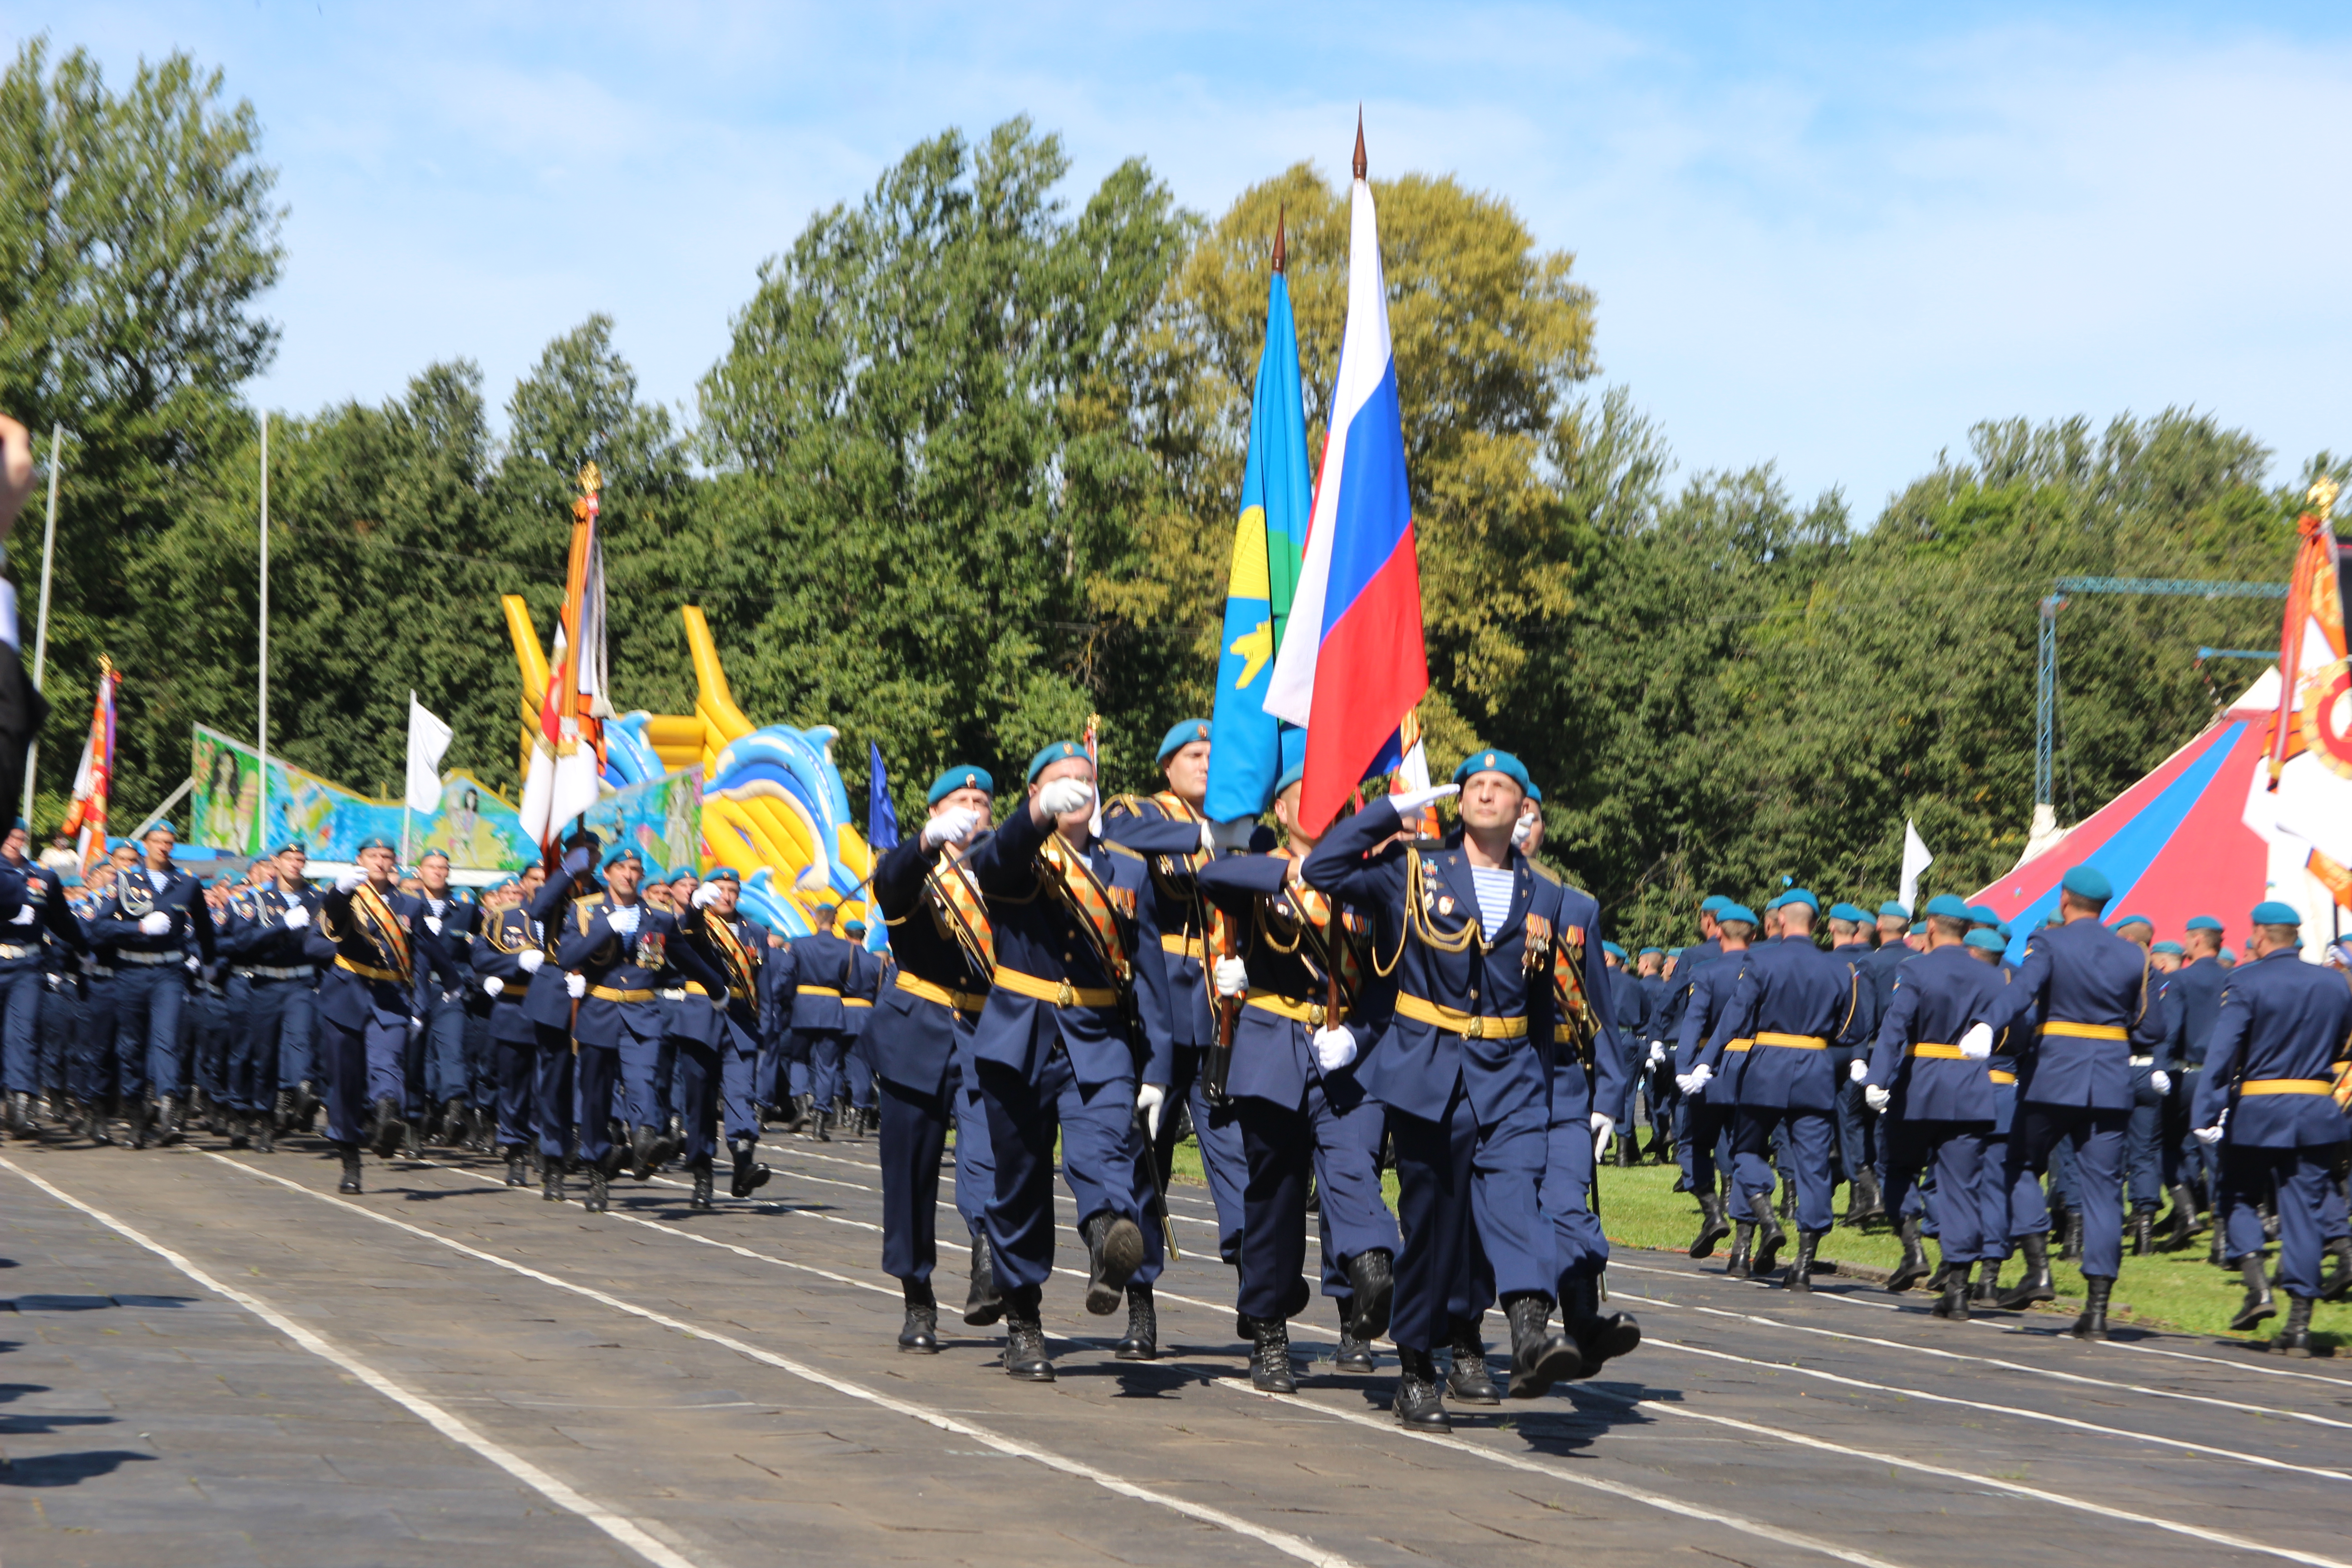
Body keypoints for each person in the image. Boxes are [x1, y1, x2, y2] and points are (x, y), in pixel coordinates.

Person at [1303, 751, 1581, 1431]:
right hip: (1431, 1074)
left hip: (1512, 1073)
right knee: (1434, 1230)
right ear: (1461, 804)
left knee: (1518, 1198)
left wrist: (1552, 1092)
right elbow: (1323, 869)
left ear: (1524, 811)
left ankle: (1528, 1330)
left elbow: (1543, 1003)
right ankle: (1417, 1369)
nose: (1487, 795)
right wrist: (1388, 812)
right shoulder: (1415, 868)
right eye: (1476, 786)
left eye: (1503, 789)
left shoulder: (1543, 892)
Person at [961, 740, 1173, 1381]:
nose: (1078, 789)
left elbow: (1152, 978)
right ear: (1036, 794)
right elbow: (995, 862)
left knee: (1103, 1151)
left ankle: (1109, 1237)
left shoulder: (1128, 871)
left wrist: (1159, 1069)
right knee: (1020, 1184)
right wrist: (1035, 820)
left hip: (1100, 1036)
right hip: (1019, 1037)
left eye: (1085, 779)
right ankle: (1024, 1324)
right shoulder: (1015, 856)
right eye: (1061, 782)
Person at [1196, 762, 1399, 1389]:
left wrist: (1359, 1037)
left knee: (1354, 1165)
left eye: (1334, 801)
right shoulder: (1260, 872)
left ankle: (1371, 1270)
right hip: (1272, 1049)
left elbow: (1389, 980)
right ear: (1280, 813)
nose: (1321, 811)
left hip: (1346, 1055)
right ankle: (1269, 1325)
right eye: (1304, 801)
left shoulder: (1372, 882)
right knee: (1276, 1193)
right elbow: (1212, 874)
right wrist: (1292, 870)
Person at [1963, 864, 2169, 1339]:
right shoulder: (2133, 955)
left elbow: (2021, 991)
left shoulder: (2050, 944)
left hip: (2057, 1076)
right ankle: (2097, 1309)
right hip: (2111, 1080)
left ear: (2064, 899)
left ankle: (2038, 1267)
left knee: (2017, 1163)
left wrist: (1986, 1025)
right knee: (2103, 1190)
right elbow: (2151, 1027)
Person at [1102, 718, 1251, 1269]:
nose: (1207, 764)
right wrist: (1201, 837)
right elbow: (1118, 837)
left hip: (1218, 1009)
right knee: (1149, 1155)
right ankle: (1140, 1295)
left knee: (1235, 1154)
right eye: (1195, 755)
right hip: (1157, 1005)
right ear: (1167, 766)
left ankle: (1254, 1292)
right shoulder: (1138, 812)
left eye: (1214, 755)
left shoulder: (1236, 829)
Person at [865, 765, 1003, 1351]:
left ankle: (986, 1258)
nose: (973, 807)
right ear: (936, 814)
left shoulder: (1007, 877)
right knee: (910, 1175)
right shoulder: (917, 874)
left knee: (990, 1153)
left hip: (987, 1031)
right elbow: (889, 880)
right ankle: (916, 1297)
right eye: (960, 800)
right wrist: (925, 844)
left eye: (981, 800)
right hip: (915, 1031)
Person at [2188, 901, 2352, 1352]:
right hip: (2317, 1110)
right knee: (2305, 1210)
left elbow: (2223, 1051)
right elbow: (2342, 1043)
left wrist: (2205, 1111)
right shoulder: (2334, 983)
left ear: (2260, 935)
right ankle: (2300, 1322)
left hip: (2260, 1109)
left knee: (2237, 1194)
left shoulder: (2245, 979)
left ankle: (2258, 1285)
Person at [1691, 888, 1872, 1290]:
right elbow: (1853, 1030)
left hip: (1765, 1068)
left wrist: (1708, 1059)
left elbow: (1736, 1016)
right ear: (1816, 924)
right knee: (1813, 1165)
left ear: (1782, 921)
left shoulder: (1762, 960)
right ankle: (1803, 1266)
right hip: (1814, 1071)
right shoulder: (1841, 970)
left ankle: (1759, 1226)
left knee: (1747, 1151)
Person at [1861, 895, 2006, 1319]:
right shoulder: (1991, 976)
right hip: (1972, 1088)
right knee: (1963, 1187)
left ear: (1930, 926)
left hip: (1920, 1085)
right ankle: (1958, 1286)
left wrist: (1877, 1078)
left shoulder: (1916, 968)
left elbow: (1895, 1028)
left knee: (1898, 1168)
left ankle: (1913, 1244)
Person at [556, 845, 682, 1214]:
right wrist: (603, 930)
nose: (629, 875)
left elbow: (655, 964)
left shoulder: (657, 915)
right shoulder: (585, 910)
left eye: (636, 869)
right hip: (599, 1008)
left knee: (643, 1078)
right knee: (595, 1097)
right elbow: (567, 957)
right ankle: (597, 1170)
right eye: (623, 868)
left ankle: (645, 1140)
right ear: (608, 873)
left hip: (642, 1009)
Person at [87, 823, 216, 1146]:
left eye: (169, 843)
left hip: (168, 973)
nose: (164, 847)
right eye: (158, 841)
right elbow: (99, 928)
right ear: (146, 844)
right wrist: (139, 929)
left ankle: (168, 1105)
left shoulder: (186, 882)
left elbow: (204, 926)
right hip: (130, 970)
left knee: (166, 1038)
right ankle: (135, 1115)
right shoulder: (125, 880)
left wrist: (208, 962)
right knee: (131, 1047)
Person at [309, 836, 422, 1193]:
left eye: (387, 856)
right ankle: (350, 1158)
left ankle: (387, 1115)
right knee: (345, 1081)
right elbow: (316, 941)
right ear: (360, 859)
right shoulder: (342, 894)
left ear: (395, 863)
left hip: (389, 995)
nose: (380, 861)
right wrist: (340, 897)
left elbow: (421, 956)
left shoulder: (411, 905)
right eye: (373, 855)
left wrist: (423, 1003)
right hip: (346, 992)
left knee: (388, 1059)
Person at [1673, 905, 1758, 1270]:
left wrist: (1685, 1067)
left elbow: (1693, 1022)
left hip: (1712, 1069)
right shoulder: (1762, 969)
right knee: (1748, 1152)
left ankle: (1712, 1211)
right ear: (1754, 937)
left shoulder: (1706, 972)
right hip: (1756, 1067)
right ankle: (1743, 1244)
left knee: (1692, 1142)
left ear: (1718, 933)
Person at [220, 843, 320, 1152]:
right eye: (289, 859)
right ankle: (261, 1116)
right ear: (275, 862)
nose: (295, 864)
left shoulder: (317, 899)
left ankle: (302, 1089)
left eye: (300, 859)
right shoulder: (255, 899)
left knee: (300, 1038)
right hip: (264, 983)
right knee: (262, 1056)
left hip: (301, 982)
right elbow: (240, 941)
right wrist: (282, 926)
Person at [0, 818, 80, 1135]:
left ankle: (21, 1106)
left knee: (23, 1034)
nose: (15, 842)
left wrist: (84, 945)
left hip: (27, 965)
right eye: (10, 836)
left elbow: (62, 919)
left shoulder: (42, 877)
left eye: (20, 837)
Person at [472, 866, 550, 1187]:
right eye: (535, 880)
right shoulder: (504, 917)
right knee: (515, 1086)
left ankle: (544, 1148)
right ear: (524, 884)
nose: (542, 886)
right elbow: (481, 958)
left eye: (548, 881)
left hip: (554, 1009)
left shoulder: (571, 915)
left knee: (547, 1086)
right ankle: (516, 1149)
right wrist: (514, 963)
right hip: (515, 1007)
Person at [405, 850, 480, 1149]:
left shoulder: (464, 910)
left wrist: (468, 980)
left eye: (443, 867)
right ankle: (413, 1121)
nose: (437, 872)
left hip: (449, 992)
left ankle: (454, 1109)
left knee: (453, 1049)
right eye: (431, 867)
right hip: (414, 990)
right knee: (415, 1057)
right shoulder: (408, 906)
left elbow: (478, 950)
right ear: (419, 871)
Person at [2166, 914, 2230, 1255]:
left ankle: (2186, 1210)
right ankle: (2220, 1234)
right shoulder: (2234, 978)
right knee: (2214, 1155)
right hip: (2219, 1076)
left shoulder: (2180, 979)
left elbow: (2172, 1030)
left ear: (2196, 941)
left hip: (2187, 1073)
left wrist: (2162, 1065)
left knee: (2163, 1144)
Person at [1827, 902, 1886, 1224]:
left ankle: (1864, 1186)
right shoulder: (1870, 963)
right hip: (1867, 1052)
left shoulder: (1825, 963)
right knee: (1861, 1125)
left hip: (1831, 1050)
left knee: (1838, 1124)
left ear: (1833, 928)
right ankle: (1859, 1198)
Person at [785, 902, 863, 1142]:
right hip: (832, 1009)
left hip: (804, 1008)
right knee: (827, 1066)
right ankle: (820, 1121)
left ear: (816, 920)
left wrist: (787, 1001)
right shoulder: (847, 949)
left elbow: (786, 976)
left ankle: (801, 1106)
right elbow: (854, 985)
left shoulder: (800, 944)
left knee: (797, 1058)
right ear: (835, 921)